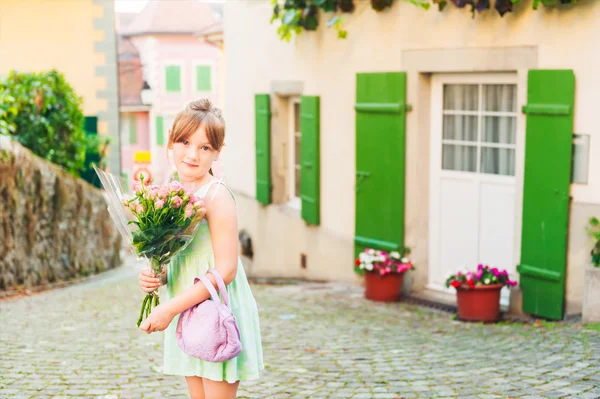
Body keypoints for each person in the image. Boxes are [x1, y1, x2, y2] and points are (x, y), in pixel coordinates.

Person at [138, 98, 264, 399]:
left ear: (217, 152)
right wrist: (158, 275)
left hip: (215, 312)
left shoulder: (217, 196)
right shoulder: (172, 193)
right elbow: (178, 259)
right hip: (187, 312)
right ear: (171, 140)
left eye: (204, 147)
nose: (192, 154)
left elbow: (227, 270)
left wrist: (169, 308)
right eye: (184, 142)